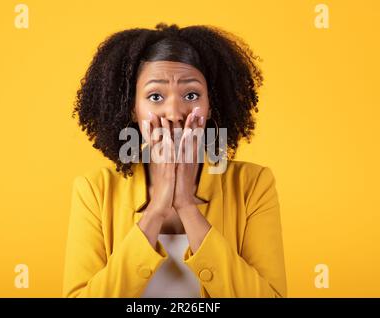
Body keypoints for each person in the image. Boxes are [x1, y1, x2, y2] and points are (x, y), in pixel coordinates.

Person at [62, 23, 287, 298]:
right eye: (155, 96)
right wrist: (156, 211)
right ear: (133, 108)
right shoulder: (94, 191)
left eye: (191, 95)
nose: (174, 112)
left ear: (210, 105)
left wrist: (186, 206)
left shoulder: (254, 186)